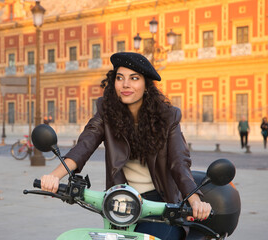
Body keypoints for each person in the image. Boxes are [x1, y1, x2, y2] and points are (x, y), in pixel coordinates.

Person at [40, 52, 211, 240]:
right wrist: (54, 176)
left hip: (159, 204)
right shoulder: (107, 111)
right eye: (120, 78)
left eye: (134, 78)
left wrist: (195, 200)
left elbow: (179, 162)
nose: (126, 84)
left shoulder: (167, 116)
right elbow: (84, 145)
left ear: (146, 85)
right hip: (121, 202)